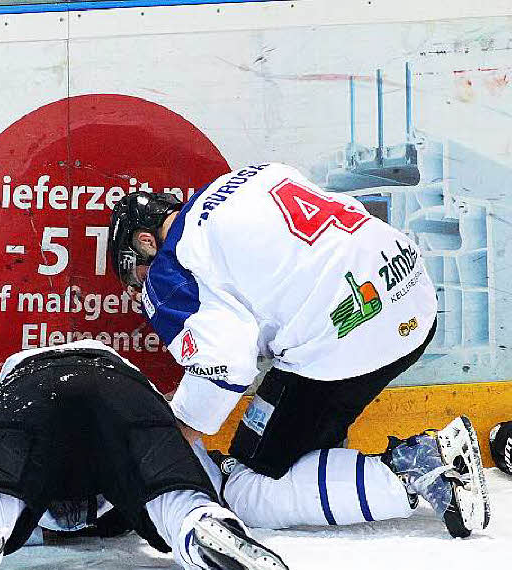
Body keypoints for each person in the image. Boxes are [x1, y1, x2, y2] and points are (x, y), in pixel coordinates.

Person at [108, 162, 490, 538]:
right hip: (412, 293)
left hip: (349, 332)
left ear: (145, 240)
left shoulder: (169, 268)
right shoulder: (254, 175)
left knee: (246, 486)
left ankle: (418, 466)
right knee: (298, 429)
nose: (138, 286)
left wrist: (165, 443)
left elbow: (226, 365)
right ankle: (326, 451)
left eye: (132, 271)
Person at [0, 340, 295, 570]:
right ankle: (202, 526)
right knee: (173, 496)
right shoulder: (116, 500)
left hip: (30, 383)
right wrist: (205, 493)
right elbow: (182, 459)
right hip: (121, 385)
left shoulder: (3, 389)